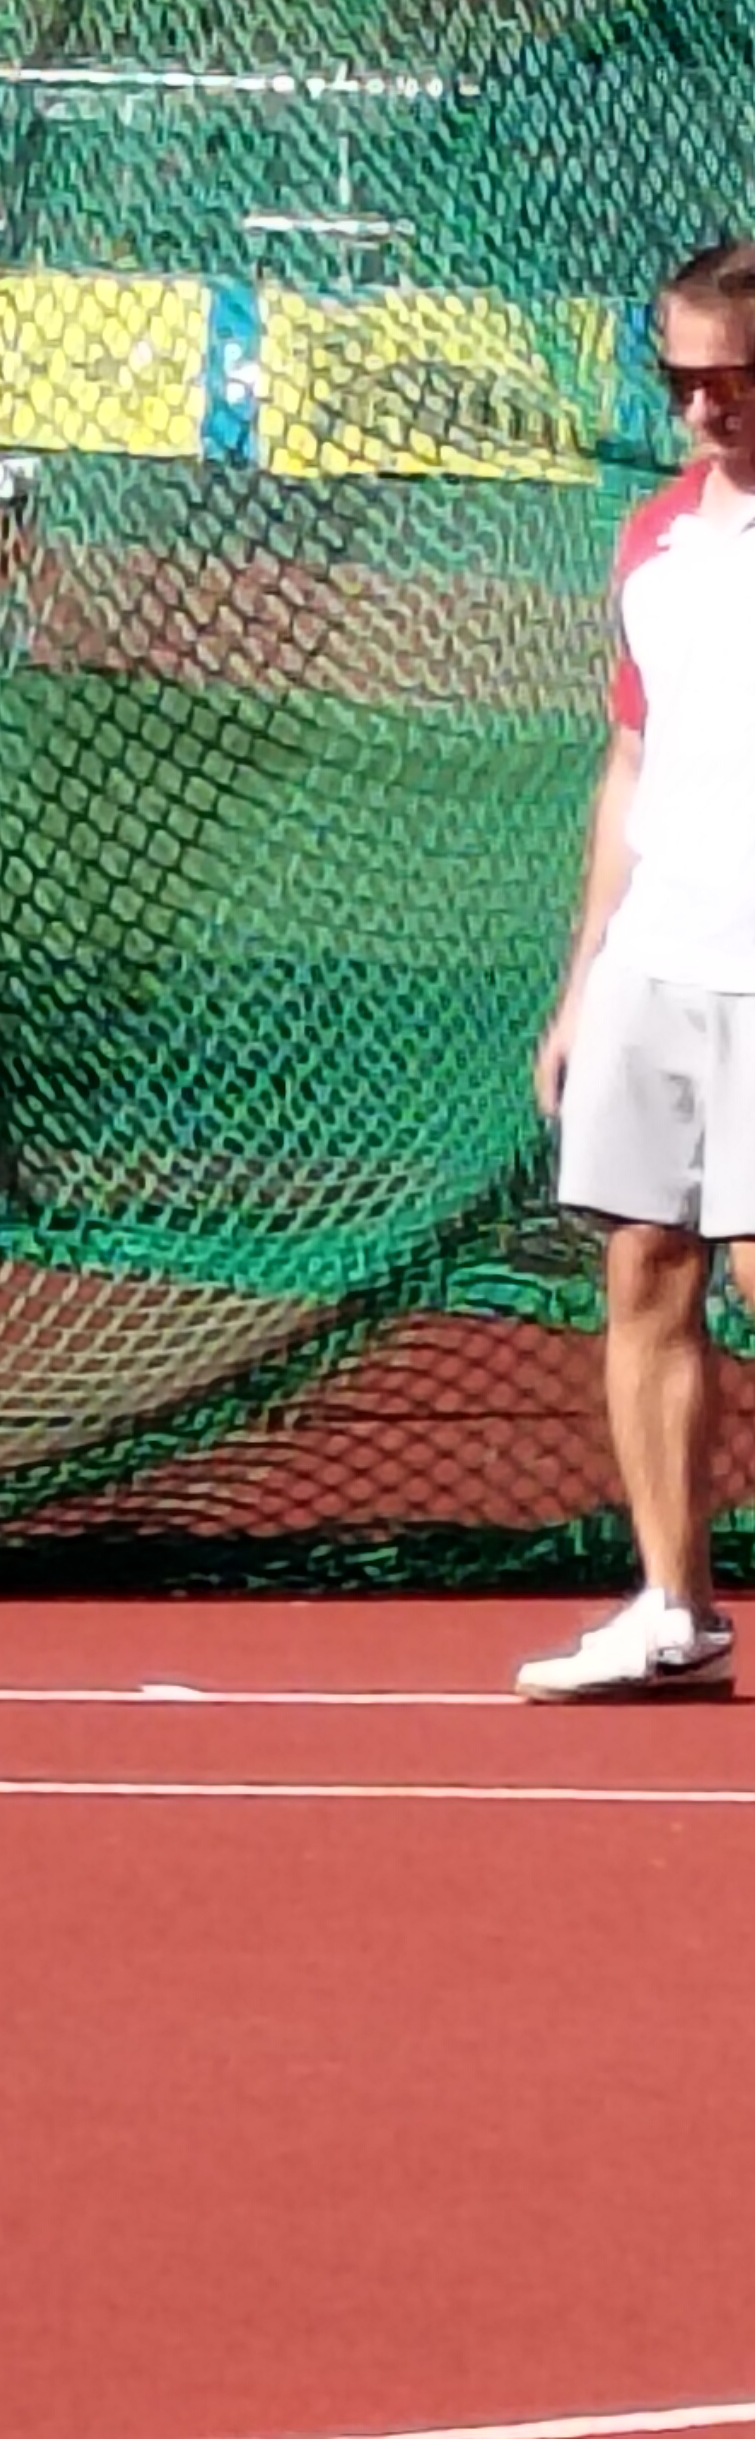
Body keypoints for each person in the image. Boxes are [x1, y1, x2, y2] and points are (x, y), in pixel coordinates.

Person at [519, 238, 755, 1701]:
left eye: (730, 380)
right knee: (645, 1271)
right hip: (657, 966)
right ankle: (675, 1608)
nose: (701, 409)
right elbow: (630, 762)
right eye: (679, 380)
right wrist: (581, 987)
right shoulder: (652, 543)